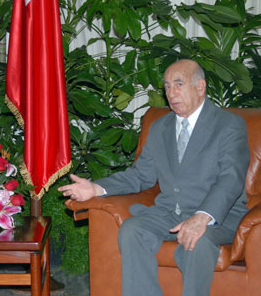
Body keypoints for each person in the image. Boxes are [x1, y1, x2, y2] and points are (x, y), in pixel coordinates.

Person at [59, 59, 249, 296]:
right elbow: (141, 175)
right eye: (167, 86)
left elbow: (231, 179)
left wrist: (201, 218)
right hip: (170, 212)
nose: (171, 92)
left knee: (196, 242)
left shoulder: (229, 125)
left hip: (218, 215)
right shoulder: (160, 128)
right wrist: (96, 188)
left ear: (200, 87)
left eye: (178, 84)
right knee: (132, 229)